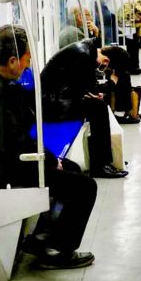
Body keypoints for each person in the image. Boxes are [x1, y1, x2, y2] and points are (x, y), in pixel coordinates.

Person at [0, 25, 96, 270]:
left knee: (71, 169)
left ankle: (43, 239)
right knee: (84, 187)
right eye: (27, 60)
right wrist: (48, 160)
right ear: (13, 60)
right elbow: (10, 143)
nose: (27, 67)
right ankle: (57, 251)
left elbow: (17, 119)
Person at [41, 38, 130, 179]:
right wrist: (111, 83)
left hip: (57, 98)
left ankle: (104, 160)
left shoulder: (86, 50)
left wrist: (94, 92)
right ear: (106, 62)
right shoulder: (84, 57)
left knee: (97, 106)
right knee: (98, 108)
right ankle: (101, 165)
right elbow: (91, 88)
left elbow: (87, 87)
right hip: (54, 104)